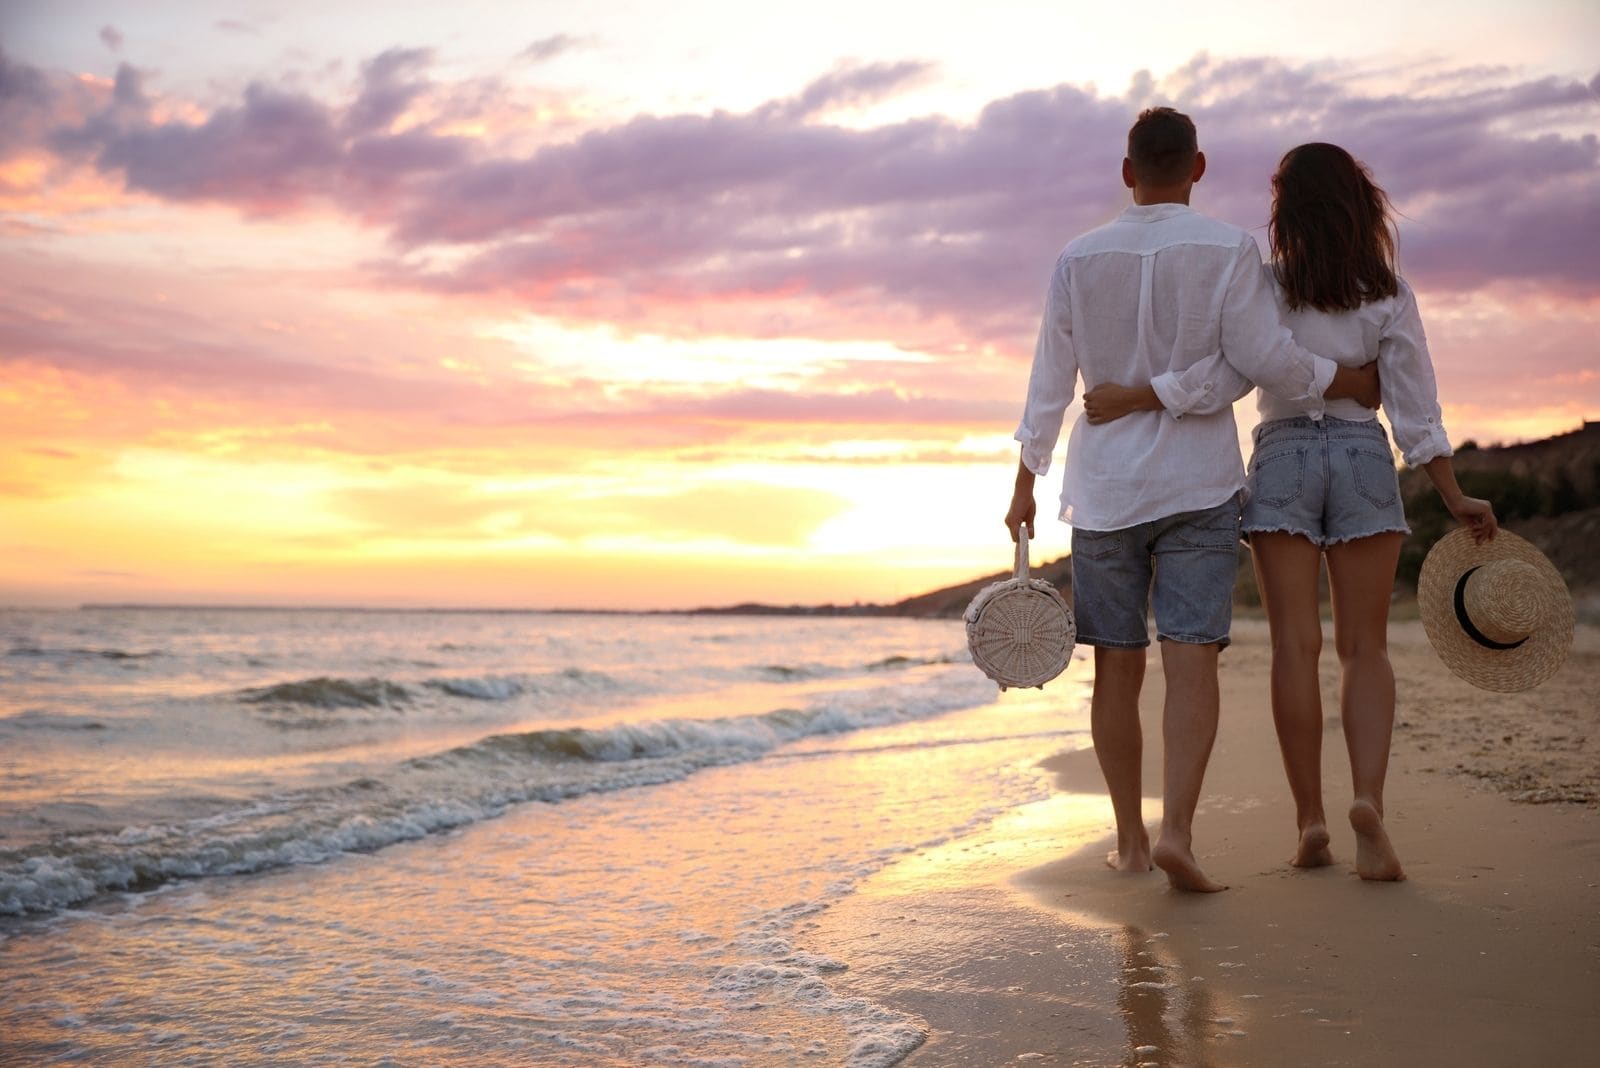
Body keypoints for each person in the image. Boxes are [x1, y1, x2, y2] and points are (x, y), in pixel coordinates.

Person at [1082, 142, 1497, 881]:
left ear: (1286, 213)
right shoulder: (1390, 294)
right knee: (1364, 649)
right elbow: (1415, 408)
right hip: (1364, 455)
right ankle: (1367, 800)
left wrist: (1138, 396)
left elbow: (1233, 374)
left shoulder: (1266, 288)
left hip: (1282, 458)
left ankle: (1310, 822)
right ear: (1360, 208)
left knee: (1294, 647)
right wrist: (1453, 492)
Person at [1006, 109, 1379, 893]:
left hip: (1105, 492)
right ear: (1199, 167)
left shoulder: (1078, 258)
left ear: (1127, 171)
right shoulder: (1229, 251)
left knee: (1116, 663)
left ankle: (1130, 843)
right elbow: (1255, 364)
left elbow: (1050, 380)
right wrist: (1342, 381)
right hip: (1199, 485)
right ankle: (1177, 829)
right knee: (1189, 658)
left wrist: (1025, 481)